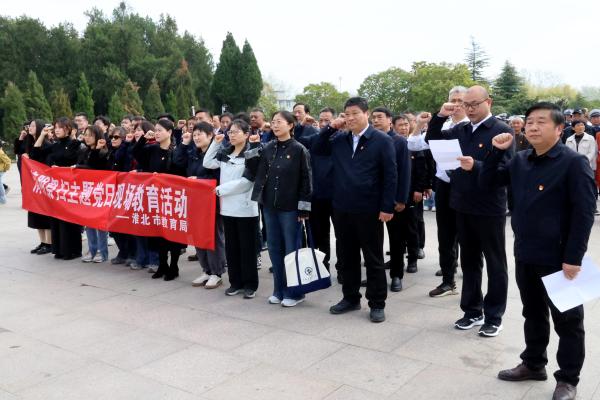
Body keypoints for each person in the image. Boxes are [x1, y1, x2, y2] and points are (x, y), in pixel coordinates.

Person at [478, 102, 595, 400]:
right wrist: (496, 151)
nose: (532, 126)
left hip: (560, 257)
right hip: (526, 252)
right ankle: (533, 363)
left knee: (568, 321)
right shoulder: (520, 160)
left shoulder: (573, 163)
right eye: (529, 121)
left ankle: (568, 379)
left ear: (559, 128)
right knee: (532, 312)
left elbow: (584, 213)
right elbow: (488, 182)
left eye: (541, 122)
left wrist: (573, 258)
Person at [426, 85, 511, 336]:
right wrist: (440, 116)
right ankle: (472, 311)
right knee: (470, 262)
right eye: (466, 104)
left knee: (495, 263)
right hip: (462, 205)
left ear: (489, 102)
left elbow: (505, 173)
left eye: (475, 104)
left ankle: (494, 316)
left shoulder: (501, 131)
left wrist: (476, 166)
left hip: (489, 208)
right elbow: (433, 139)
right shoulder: (460, 130)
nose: (470, 109)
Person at [313, 97, 397, 323]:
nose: (350, 118)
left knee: (373, 258)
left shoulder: (381, 140)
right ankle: (350, 298)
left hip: (369, 208)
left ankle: (377, 303)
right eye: (347, 114)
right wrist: (331, 127)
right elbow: (317, 148)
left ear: (366, 114)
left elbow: (391, 175)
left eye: (355, 114)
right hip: (342, 207)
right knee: (347, 256)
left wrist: (387, 206)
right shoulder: (339, 139)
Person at [245, 111, 313, 307]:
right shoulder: (268, 147)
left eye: (279, 122)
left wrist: (303, 209)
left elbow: (307, 180)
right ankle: (278, 290)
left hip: (290, 207)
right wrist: (254, 146)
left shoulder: (299, 149)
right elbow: (252, 169)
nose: (275, 125)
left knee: (291, 250)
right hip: (269, 205)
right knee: (274, 248)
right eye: (273, 122)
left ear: (290, 125)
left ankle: (295, 293)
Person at [203, 119, 259, 299]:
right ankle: (235, 282)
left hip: (245, 209)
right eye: (230, 132)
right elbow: (207, 162)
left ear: (246, 134)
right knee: (232, 248)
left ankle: (250, 284)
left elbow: (247, 182)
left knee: (247, 249)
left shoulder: (251, 154)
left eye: (236, 132)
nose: (231, 135)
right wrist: (215, 143)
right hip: (227, 208)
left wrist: (221, 189)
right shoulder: (225, 153)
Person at [174, 122, 226, 289]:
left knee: (213, 236)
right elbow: (177, 161)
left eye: (199, 134)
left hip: (212, 203)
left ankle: (216, 272)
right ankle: (206, 269)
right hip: (195, 201)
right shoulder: (194, 153)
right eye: (194, 135)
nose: (196, 138)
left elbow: (220, 178)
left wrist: (200, 181)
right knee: (198, 236)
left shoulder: (218, 153)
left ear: (210, 135)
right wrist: (184, 143)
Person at [132, 119, 185, 281]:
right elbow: (136, 153)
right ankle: (162, 265)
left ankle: (174, 266)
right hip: (155, 197)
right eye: (155, 130)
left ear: (169, 132)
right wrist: (143, 139)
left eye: (160, 130)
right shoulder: (152, 149)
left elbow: (180, 171)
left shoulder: (176, 150)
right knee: (158, 233)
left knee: (173, 233)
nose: (157, 133)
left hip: (171, 197)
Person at [31, 117, 82, 260]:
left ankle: (72, 251)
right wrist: (42, 135)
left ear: (69, 129)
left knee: (69, 220)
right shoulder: (55, 145)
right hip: (55, 189)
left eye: (60, 127)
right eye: (56, 127)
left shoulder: (75, 144)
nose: (57, 130)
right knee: (56, 218)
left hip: (70, 188)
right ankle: (59, 249)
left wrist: (60, 169)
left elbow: (77, 163)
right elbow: (35, 154)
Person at [371, 108, 411, 292]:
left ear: (389, 120)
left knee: (396, 239)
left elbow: (404, 172)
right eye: (373, 118)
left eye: (380, 117)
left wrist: (401, 199)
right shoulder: (370, 140)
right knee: (373, 240)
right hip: (372, 198)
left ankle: (396, 275)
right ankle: (376, 275)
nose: (376, 120)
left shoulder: (399, 141)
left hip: (394, 200)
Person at [16, 120, 53, 254]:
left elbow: (36, 156)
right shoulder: (29, 141)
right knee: (35, 214)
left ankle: (49, 243)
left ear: (39, 128)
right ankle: (42, 242)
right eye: (29, 126)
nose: (29, 128)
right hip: (32, 184)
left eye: (32, 126)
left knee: (44, 214)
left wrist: (29, 157)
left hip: (42, 183)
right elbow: (18, 151)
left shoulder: (46, 144)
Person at [75, 125, 110, 263]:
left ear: (98, 136)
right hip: (86, 190)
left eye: (90, 135)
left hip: (100, 191)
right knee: (88, 222)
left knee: (100, 223)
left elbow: (93, 167)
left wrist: (79, 167)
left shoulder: (103, 152)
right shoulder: (84, 150)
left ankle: (102, 251)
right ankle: (92, 249)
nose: (87, 137)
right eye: (85, 134)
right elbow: (81, 165)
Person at [130, 120, 159, 272]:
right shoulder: (139, 145)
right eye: (135, 130)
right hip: (138, 192)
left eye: (140, 130)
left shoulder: (154, 146)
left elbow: (146, 162)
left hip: (152, 192)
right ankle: (142, 258)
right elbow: (135, 152)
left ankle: (154, 259)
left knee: (152, 228)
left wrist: (140, 172)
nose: (136, 133)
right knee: (139, 226)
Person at [107, 127, 136, 267]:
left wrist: (125, 145)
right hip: (111, 192)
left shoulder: (128, 150)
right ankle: (123, 251)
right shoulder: (109, 150)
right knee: (113, 225)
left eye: (116, 137)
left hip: (125, 191)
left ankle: (131, 253)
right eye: (111, 137)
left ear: (123, 139)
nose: (113, 140)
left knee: (125, 224)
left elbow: (123, 162)